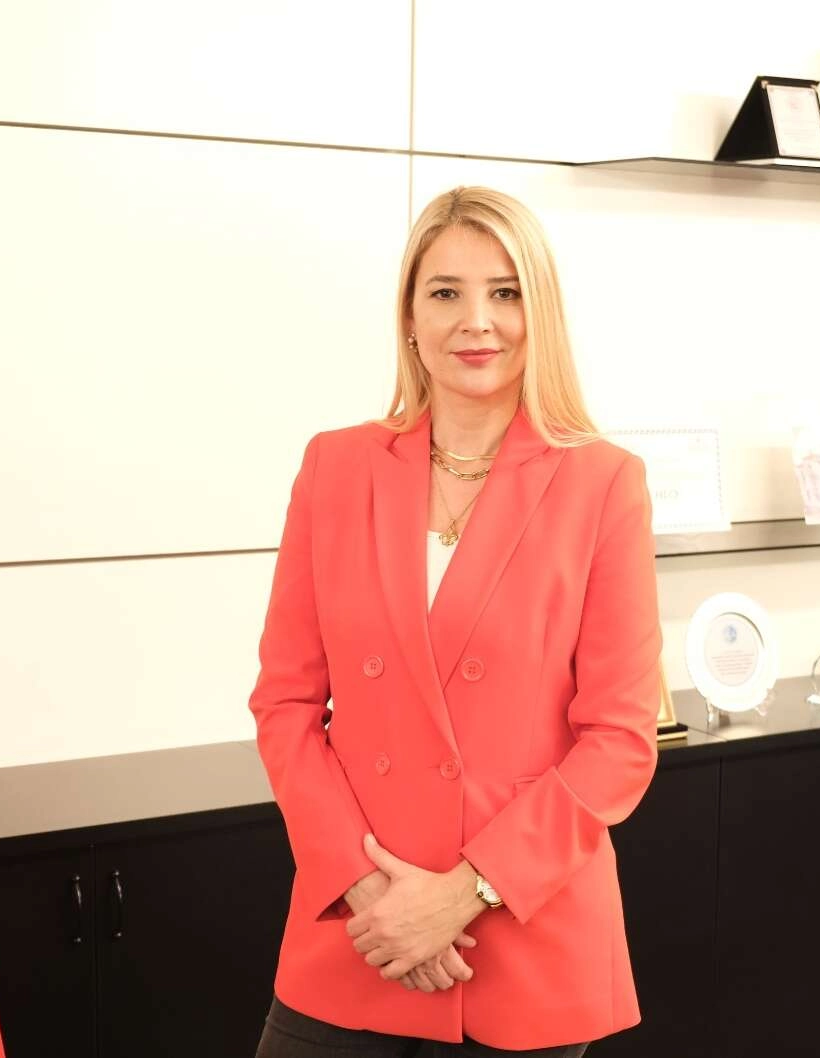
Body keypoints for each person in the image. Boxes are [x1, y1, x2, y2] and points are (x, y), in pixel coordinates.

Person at [248, 186, 663, 1057]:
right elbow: (285, 705)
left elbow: (620, 739)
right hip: (358, 925)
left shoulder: (603, 483)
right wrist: (367, 889)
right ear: (410, 315)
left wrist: (461, 894)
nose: (477, 321)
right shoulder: (335, 467)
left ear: (539, 312)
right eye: (445, 292)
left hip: (523, 930)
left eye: (505, 292)